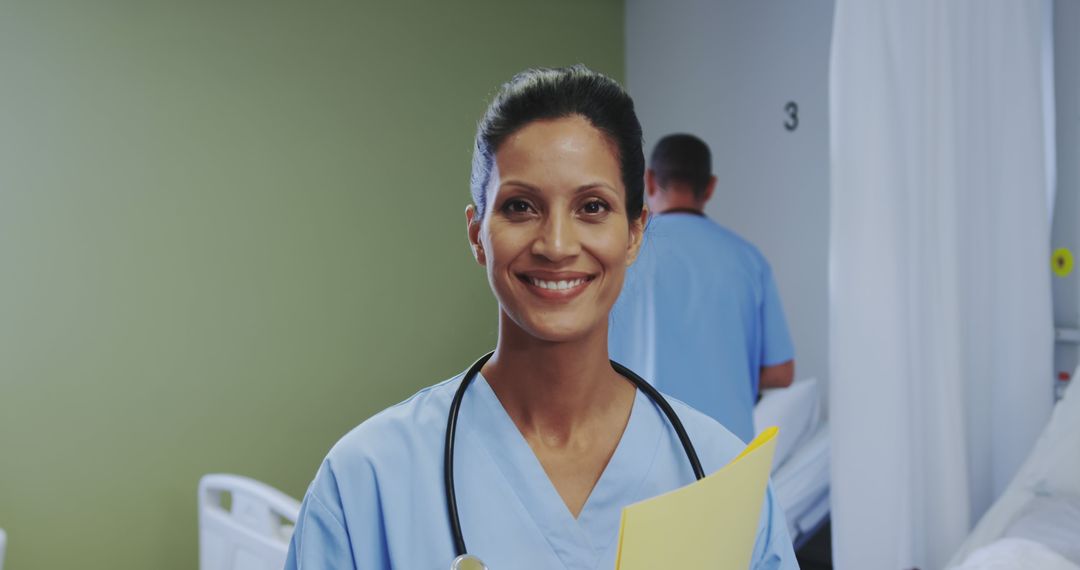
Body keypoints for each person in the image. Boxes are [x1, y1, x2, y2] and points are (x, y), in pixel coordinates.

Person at [285, 67, 796, 569]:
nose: (555, 245)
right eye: (520, 207)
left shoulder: (722, 475)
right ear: (476, 234)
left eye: (592, 207)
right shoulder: (366, 481)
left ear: (636, 232)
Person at [609, 134, 795, 444]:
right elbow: (781, 372)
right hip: (727, 456)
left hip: (640, 446)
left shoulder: (621, 255)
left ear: (650, 180)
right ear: (709, 187)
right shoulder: (749, 260)